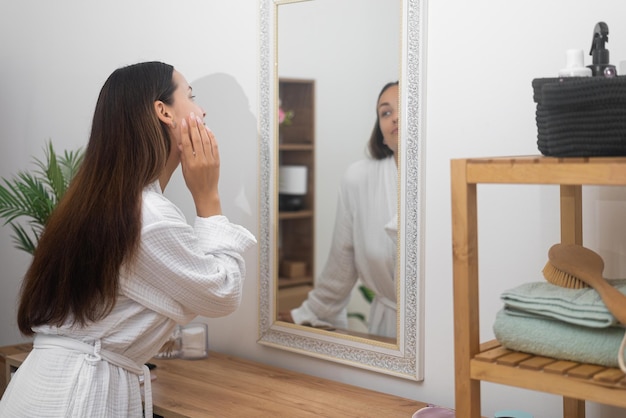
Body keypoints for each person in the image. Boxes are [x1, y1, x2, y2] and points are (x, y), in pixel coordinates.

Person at [0, 61, 256, 417]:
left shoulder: (102, 202)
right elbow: (222, 293)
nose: (202, 110)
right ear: (163, 111)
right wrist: (208, 199)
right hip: (80, 397)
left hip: (43, 388)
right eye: (192, 97)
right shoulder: (148, 215)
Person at [279, 81, 399, 338]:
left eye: (406, 107)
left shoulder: (446, 179)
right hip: (387, 329)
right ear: (381, 131)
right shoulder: (359, 179)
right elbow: (341, 262)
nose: (395, 117)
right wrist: (309, 312)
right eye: (386, 112)